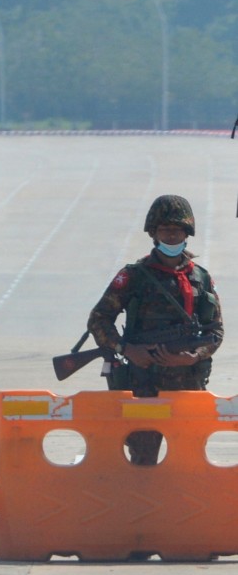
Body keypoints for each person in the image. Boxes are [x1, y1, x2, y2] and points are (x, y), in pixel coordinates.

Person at [87, 195, 224, 465]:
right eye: (165, 230)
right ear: (153, 233)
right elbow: (98, 319)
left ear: (188, 234)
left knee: (189, 460)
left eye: (178, 230)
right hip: (143, 383)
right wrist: (126, 349)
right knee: (143, 459)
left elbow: (216, 331)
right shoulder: (134, 276)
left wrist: (193, 356)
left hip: (188, 385)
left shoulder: (201, 278)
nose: (172, 235)